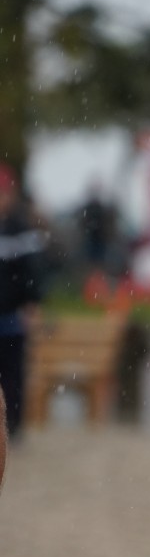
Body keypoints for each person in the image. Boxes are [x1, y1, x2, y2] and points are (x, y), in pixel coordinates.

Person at [0, 165, 46, 441]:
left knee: (12, 374)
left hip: (11, 316)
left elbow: (31, 271)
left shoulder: (21, 227)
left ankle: (14, 426)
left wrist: (32, 303)